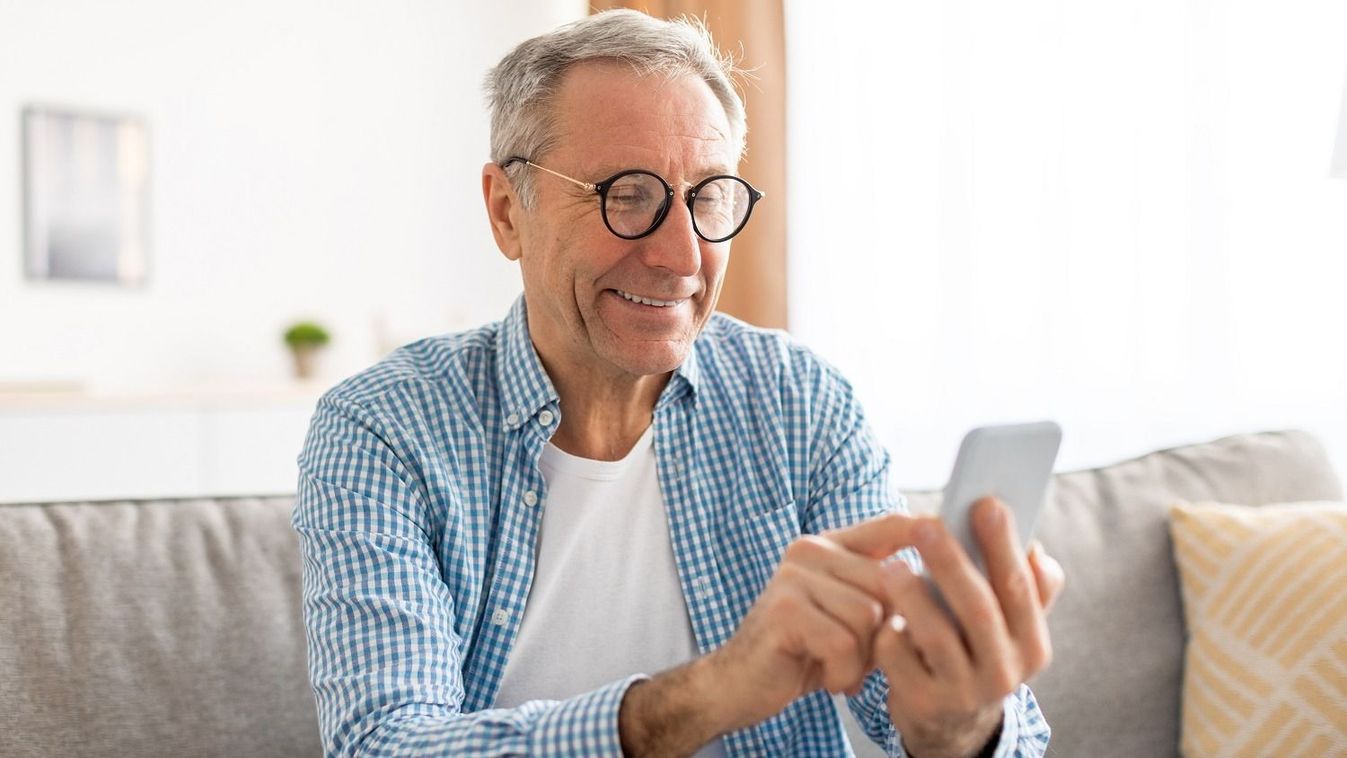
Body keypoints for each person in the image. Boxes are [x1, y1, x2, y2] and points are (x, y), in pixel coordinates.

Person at [293, 9, 1064, 756]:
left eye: (708, 196)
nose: (683, 257)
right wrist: (715, 691)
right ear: (506, 211)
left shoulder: (800, 402)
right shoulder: (384, 428)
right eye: (626, 195)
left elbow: (972, 729)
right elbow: (387, 745)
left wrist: (955, 727)